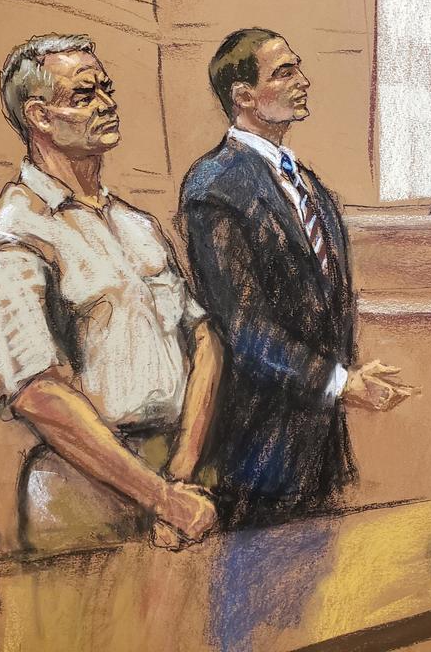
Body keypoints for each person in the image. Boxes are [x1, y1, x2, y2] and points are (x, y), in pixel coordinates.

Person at [0, 33, 221, 553]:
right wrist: (160, 499)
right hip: (83, 491)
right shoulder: (12, 237)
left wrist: (181, 476)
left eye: (106, 89)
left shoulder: (138, 225)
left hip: (181, 471)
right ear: (39, 117)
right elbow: (38, 393)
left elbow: (203, 338)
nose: (106, 104)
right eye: (84, 95)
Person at [179, 28, 417, 527]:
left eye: (297, 68)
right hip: (256, 454)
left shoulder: (308, 184)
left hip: (319, 446)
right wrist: (341, 383)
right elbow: (243, 329)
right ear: (244, 96)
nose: (302, 81)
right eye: (284, 72)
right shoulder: (214, 186)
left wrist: (345, 381)